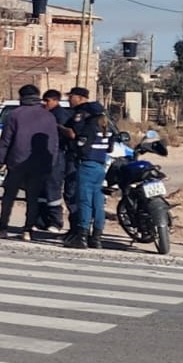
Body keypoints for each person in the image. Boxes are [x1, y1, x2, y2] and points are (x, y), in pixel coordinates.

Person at [0, 84, 58, 241]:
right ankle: (27, 230)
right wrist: (51, 163)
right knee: (32, 198)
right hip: (40, 164)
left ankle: (2, 227)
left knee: (9, 196)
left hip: (17, 161)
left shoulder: (15, 114)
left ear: (22, 97)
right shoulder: (49, 116)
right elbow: (54, 143)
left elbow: (6, 140)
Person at [62, 88, 113, 248]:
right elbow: (110, 149)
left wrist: (76, 149)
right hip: (100, 165)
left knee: (84, 201)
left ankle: (82, 236)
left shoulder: (90, 127)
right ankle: (97, 237)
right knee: (98, 202)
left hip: (87, 165)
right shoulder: (107, 129)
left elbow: (81, 146)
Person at [37, 89, 69, 232]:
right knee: (41, 189)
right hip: (44, 155)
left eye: (47, 100)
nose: (45, 103)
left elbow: (63, 135)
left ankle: (56, 222)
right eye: (43, 100)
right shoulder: (44, 114)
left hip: (57, 156)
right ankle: (41, 220)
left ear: (56, 100)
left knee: (53, 189)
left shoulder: (60, 115)